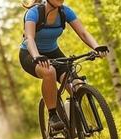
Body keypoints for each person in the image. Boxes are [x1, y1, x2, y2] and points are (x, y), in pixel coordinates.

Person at [19, 0, 109, 130]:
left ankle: (79, 123)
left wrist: (97, 47)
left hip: (53, 52)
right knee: (49, 72)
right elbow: (29, 38)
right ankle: (53, 115)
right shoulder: (33, 13)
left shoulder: (65, 12)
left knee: (76, 84)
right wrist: (37, 56)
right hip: (30, 53)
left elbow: (83, 33)